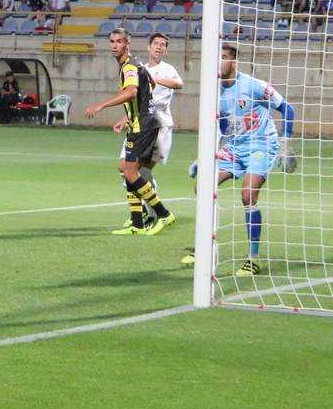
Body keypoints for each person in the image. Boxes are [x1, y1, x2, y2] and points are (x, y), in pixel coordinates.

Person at [196, 42, 296, 276]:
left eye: (223, 57)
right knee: (202, 185)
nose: (218, 61)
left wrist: (285, 144)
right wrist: (203, 157)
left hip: (262, 144)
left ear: (233, 62)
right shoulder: (214, 91)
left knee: (248, 194)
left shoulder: (253, 86)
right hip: (236, 146)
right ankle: (208, 247)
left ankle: (253, 258)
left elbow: (287, 109)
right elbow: (223, 127)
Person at [84, 28, 175, 236]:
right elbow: (148, 82)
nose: (114, 45)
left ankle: (163, 213)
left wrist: (102, 106)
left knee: (131, 172)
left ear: (128, 43)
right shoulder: (135, 64)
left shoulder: (129, 67)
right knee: (125, 169)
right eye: (112, 41)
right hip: (140, 123)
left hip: (142, 126)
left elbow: (132, 91)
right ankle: (137, 222)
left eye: (119, 41)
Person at [115, 33, 183, 222]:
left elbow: (179, 83)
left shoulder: (167, 69)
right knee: (125, 168)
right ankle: (145, 213)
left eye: (163, 45)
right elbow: (138, 99)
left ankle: (151, 214)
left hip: (160, 126)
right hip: (139, 123)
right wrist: (124, 118)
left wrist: (155, 79)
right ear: (148, 47)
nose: (159, 47)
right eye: (156, 44)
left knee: (138, 170)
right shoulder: (140, 68)